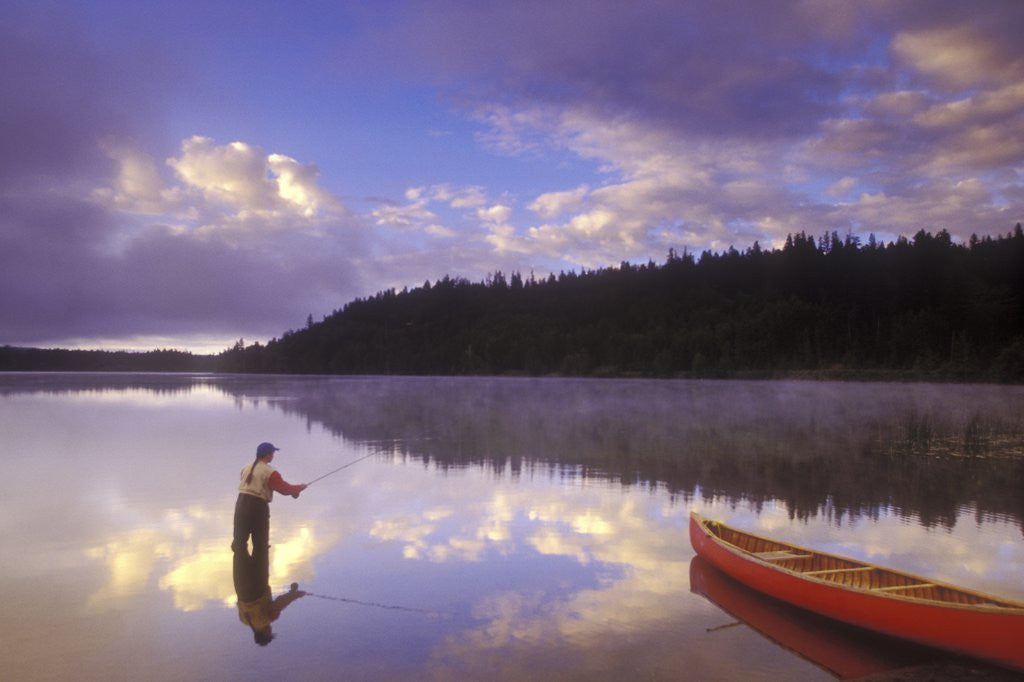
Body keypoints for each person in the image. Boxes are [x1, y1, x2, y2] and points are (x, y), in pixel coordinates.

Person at [231, 442, 307, 560]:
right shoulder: (270, 472)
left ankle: (241, 569)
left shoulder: (246, 468)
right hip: (258, 507)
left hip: (240, 504)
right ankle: (258, 570)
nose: (273, 456)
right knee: (260, 545)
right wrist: (299, 488)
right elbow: (284, 489)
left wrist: (295, 490)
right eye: (272, 453)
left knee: (239, 543)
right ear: (268, 455)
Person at [233, 549, 305, 646]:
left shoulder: (267, 619)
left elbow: (281, 602)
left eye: (270, 633)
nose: (271, 630)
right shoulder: (244, 620)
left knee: (261, 549)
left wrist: (296, 595)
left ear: (265, 634)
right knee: (239, 550)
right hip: (240, 587)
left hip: (258, 586)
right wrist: (292, 592)